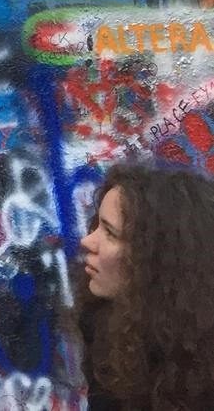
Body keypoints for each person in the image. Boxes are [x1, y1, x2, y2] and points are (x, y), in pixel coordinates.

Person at [76, 160, 214, 411]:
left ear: (157, 258)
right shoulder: (105, 329)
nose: (87, 241)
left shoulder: (199, 373)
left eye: (110, 233)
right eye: (97, 224)